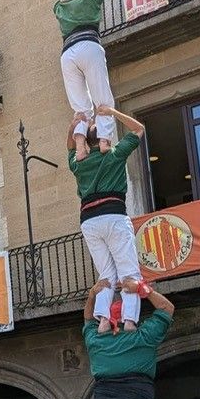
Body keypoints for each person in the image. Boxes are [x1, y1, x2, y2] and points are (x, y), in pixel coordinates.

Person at [69, 106, 147, 330]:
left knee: (106, 273)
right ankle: (130, 319)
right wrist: (112, 112)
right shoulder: (115, 153)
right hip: (113, 214)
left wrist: (75, 125)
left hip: (89, 221)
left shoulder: (78, 162)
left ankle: (103, 318)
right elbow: (139, 128)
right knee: (129, 271)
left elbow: (69, 148)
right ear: (103, 138)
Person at [83, 281, 175, 399]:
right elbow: (167, 308)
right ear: (130, 319)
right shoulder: (143, 337)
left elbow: (88, 319)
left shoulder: (95, 340)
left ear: (107, 321)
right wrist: (143, 289)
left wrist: (92, 294)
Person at [54, 0, 117, 149]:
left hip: (67, 54)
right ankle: (105, 141)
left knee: (81, 108)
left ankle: (80, 145)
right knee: (103, 100)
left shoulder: (62, 7)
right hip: (89, 46)